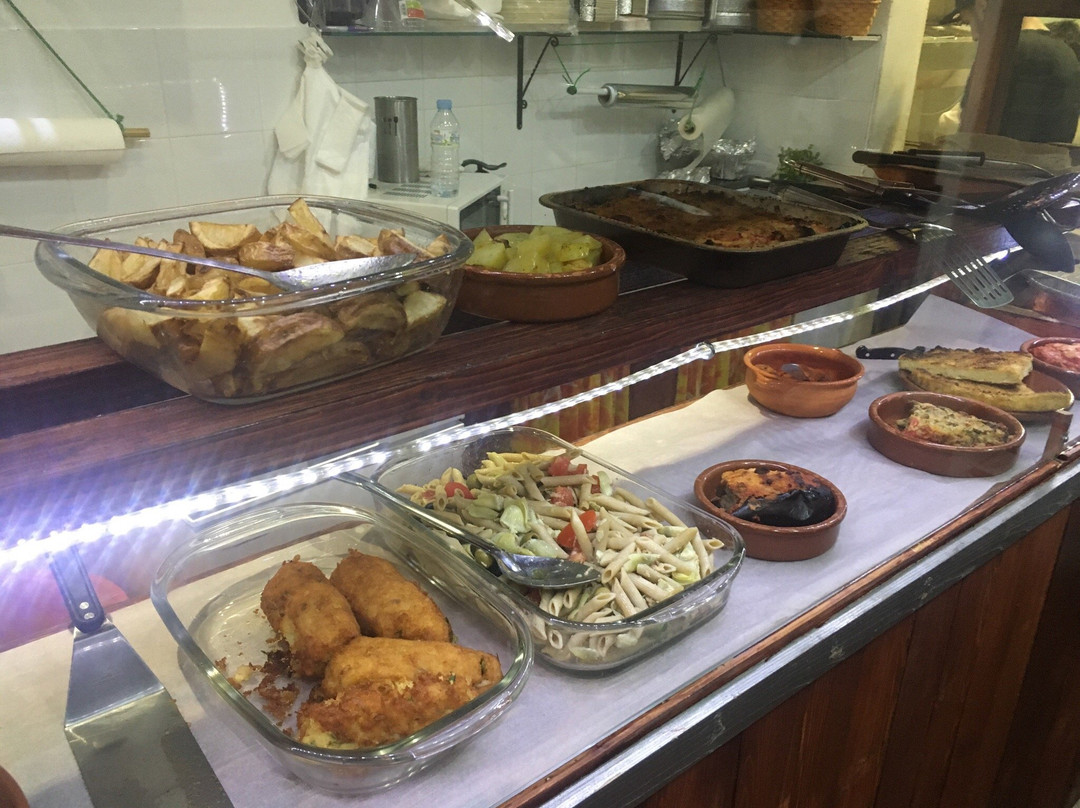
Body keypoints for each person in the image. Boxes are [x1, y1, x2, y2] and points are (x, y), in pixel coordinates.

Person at [938, 0, 1080, 143]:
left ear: (982, 5)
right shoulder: (1066, 53)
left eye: (968, 22)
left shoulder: (1003, 52)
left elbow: (970, 130)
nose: (974, 35)